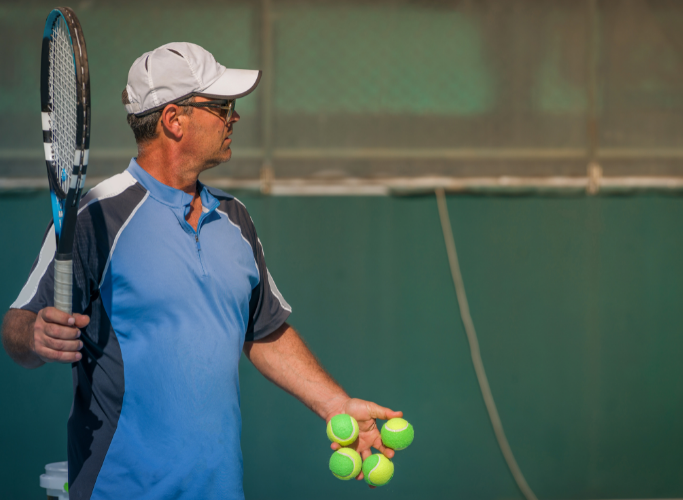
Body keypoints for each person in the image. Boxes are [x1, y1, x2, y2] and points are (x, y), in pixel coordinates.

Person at [1, 42, 401, 499]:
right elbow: (18, 325)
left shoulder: (236, 219)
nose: (235, 118)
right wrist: (34, 335)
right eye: (223, 107)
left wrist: (335, 404)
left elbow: (263, 330)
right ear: (174, 120)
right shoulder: (94, 217)